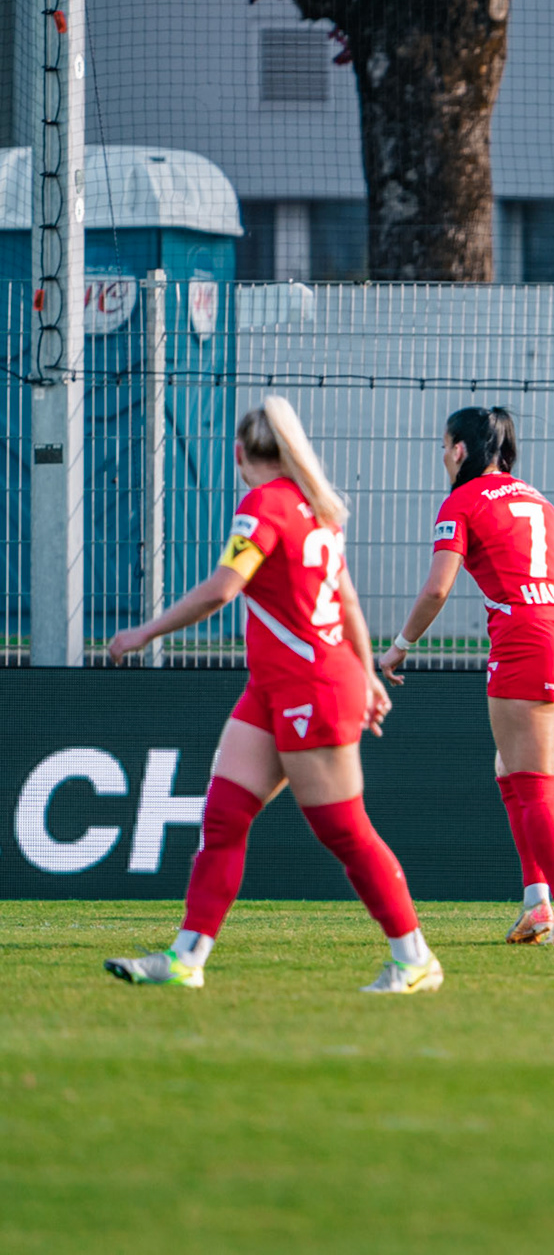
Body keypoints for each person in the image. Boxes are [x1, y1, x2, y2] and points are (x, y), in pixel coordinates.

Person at [103, 396, 442, 993]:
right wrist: (364, 673)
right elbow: (350, 602)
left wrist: (144, 631)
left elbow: (222, 590)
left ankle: (415, 958)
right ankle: (187, 958)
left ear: (239, 454)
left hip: (310, 683)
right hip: (280, 684)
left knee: (344, 830)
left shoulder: (263, 505)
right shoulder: (316, 510)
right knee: (224, 816)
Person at [379, 407, 554, 947]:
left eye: (443, 446)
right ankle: (537, 905)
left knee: (535, 785)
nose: (443, 456)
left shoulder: (461, 500)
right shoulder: (536, 498)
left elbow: (437, 589)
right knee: (512, 769)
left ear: (459, 450)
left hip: (531, 641)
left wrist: (399, 648)